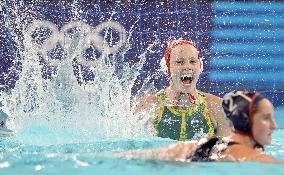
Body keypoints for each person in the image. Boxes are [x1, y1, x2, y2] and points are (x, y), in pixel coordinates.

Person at [123, 91, 282, 163]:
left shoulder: (201, 145)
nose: (274, 126)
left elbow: (133, 157)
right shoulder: (250, 157)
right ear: (246, 121)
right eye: (266, 118)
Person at [133, 38, 230, 141]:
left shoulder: (218, 108)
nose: (187, 67)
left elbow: (228, 153)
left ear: (200, 67)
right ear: (168, 68)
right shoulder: (148, 107)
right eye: (179, 62)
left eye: (192, 61)